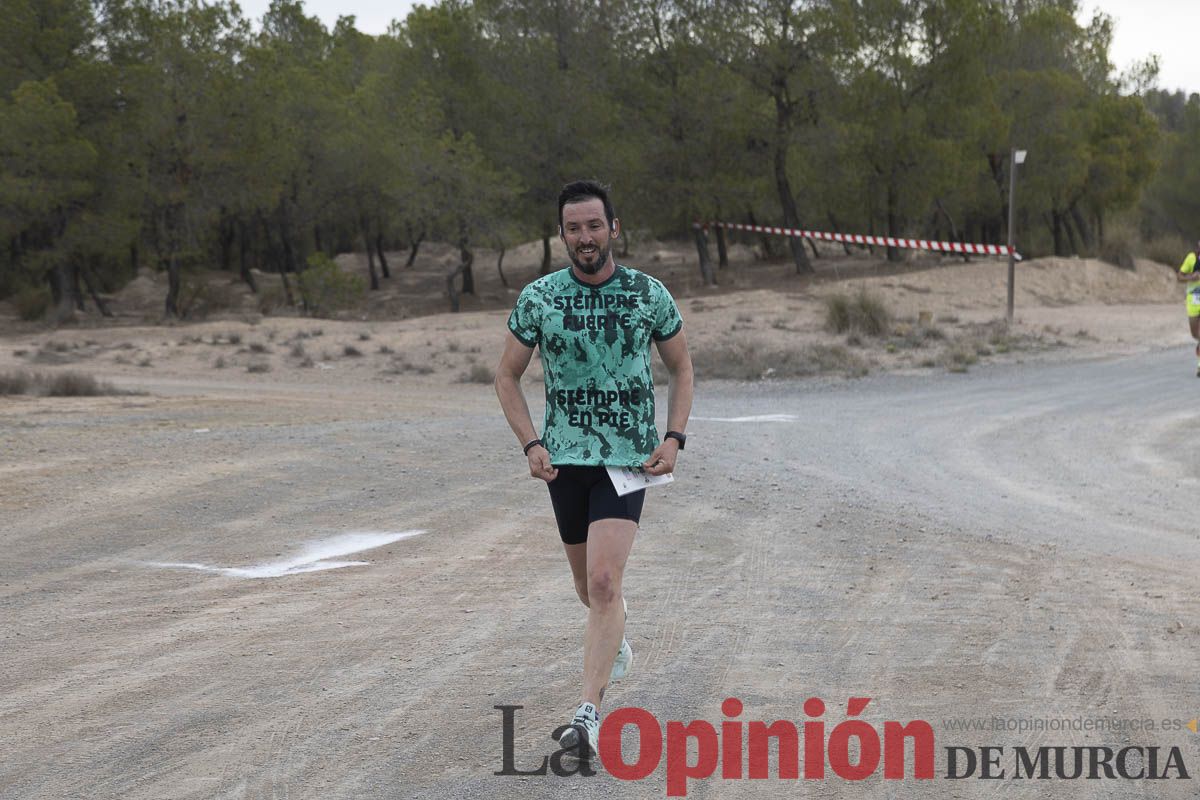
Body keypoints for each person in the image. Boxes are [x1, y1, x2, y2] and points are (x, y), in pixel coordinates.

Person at [494, 180, 694, 758]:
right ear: (562, 235)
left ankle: (587, 715)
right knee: (588, 588)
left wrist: (674, 437)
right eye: (573, 228)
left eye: (594, 226)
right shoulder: (539, 298)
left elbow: (682, 368)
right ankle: (616, 638)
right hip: (564, 461)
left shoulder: (647, 294)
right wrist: (530, 443)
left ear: (614, 228)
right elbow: (506, 376)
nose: (585, 237)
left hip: (627, 458)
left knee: (606, 582)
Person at [1177, 241, 1200, 376]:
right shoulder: (1191, 258)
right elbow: (1179, 276)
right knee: (1195, 334)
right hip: (1193, 301)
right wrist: (1191, 277)